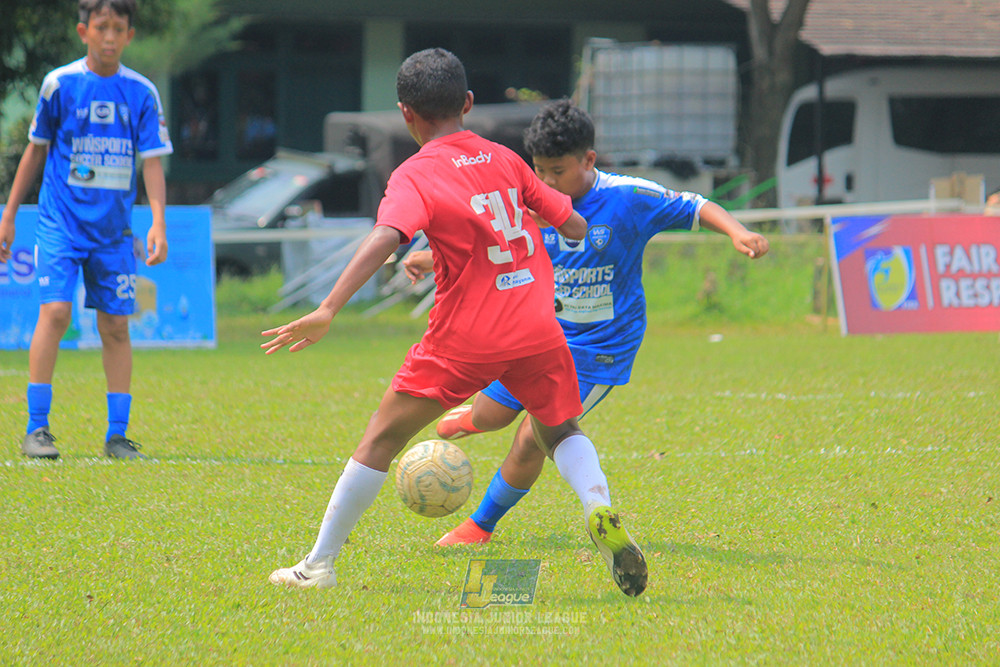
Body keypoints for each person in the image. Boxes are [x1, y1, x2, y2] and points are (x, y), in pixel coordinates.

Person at [262, 49, 647, 597]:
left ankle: (316, 566)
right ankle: (599, 508)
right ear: (467, 104)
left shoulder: (414, 173)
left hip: (466, 338)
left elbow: (386, 235)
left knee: (379, 440)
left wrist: (328, 308)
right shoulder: (507, 159)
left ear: (405, 114)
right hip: (539, 326)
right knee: (560, 429)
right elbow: (578, 226)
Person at [405, 99, 769, 547]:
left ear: (588, 160)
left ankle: (480, 525)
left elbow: (694, 206)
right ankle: (473, 419)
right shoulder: (531, 199)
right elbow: (493, 242)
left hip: (601, 349)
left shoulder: (627, 197)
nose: (546, 181)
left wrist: (737, 232)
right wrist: (427, 257)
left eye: (557, 170)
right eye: (539, 170)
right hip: (538, 337)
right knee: (491, 415)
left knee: (530, 439)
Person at [0, 0, 172, 460]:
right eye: (102, 27)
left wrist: (157, 220)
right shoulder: (60, 84)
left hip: (113, 233)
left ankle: (117, 435)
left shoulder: (141, 92)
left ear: (130, 35)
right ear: (84, 31)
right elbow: (35, 151)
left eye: (118, 28)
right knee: (55, 314)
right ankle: (38, 429)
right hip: (61, 224)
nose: (110, 36)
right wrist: (10, 214)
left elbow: (151, 161)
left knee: (115, 325)